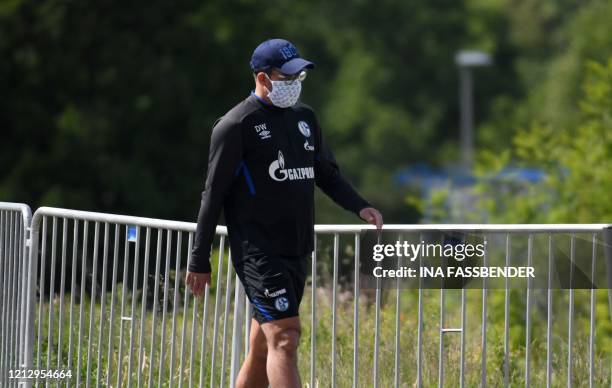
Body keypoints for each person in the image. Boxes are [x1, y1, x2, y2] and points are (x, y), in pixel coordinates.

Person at [185, 38, 383, 388]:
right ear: (263, 78)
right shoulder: (235, 125)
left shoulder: (305, 118)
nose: (294, 84)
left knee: (262, 346)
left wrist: (360, 205)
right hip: (259, 251)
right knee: (286, 339)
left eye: (299, 77)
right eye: (286, 77)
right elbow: (212, 196)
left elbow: (327, 174)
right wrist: (199, 260)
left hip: (297, 246)